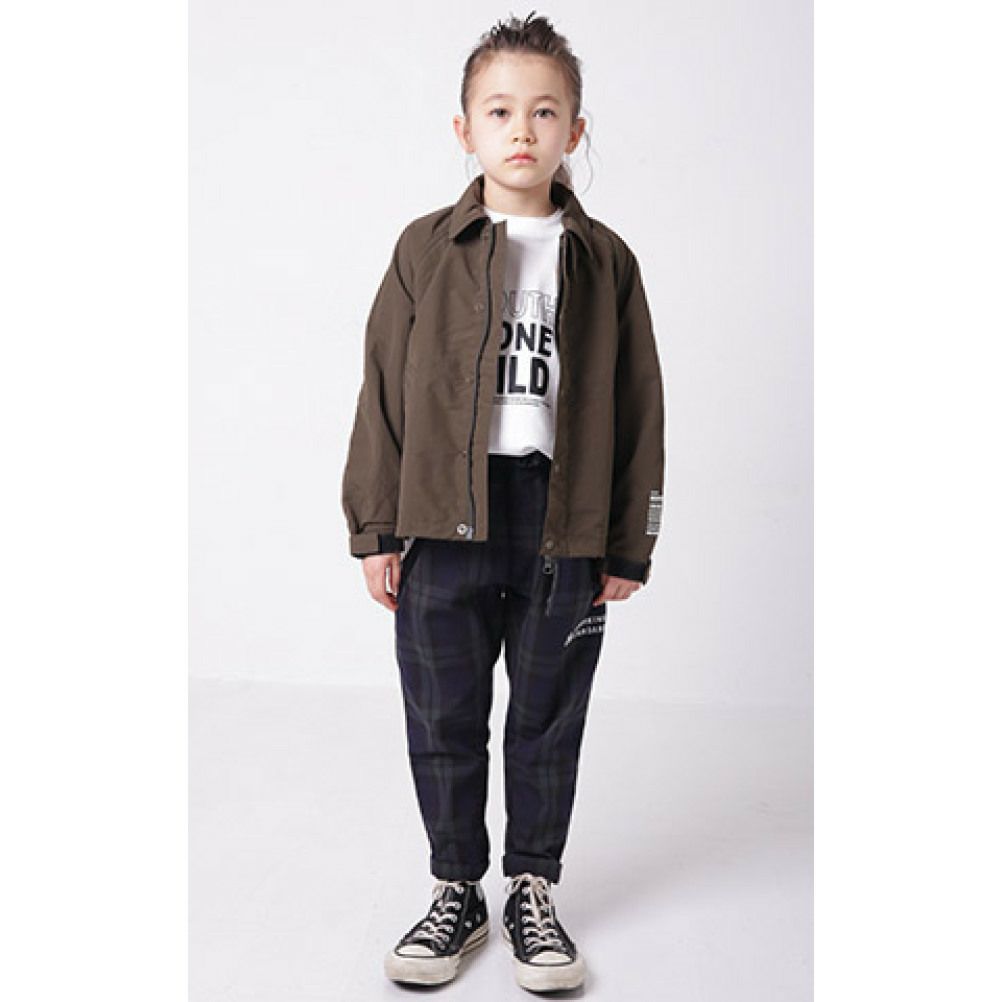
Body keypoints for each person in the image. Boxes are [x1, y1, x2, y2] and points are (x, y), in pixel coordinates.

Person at [340, 10, 666, 993]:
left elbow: (641, 405)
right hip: (442, 515)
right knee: (442, 714)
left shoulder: (606, 261)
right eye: (499, 111)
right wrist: (375, 526)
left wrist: (630, 541)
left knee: (547, 717)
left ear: (575, 130)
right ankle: (456, 890)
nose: (522, 129)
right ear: (465, 129)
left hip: (562, 522)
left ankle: (532, 888)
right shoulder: (424, 249)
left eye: (545, 111)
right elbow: (382, 390)